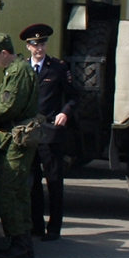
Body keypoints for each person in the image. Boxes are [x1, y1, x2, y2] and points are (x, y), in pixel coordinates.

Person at [0, 32, 39, 258]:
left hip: (16, 139)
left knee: (10, 192)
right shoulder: (15, 70)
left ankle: (18, 243)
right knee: (18, 191)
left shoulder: (18, 72)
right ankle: (22, 239)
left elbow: (8, 106)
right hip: (14, 137)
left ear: (4, 53)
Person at [21, 24, 79, 242]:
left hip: (50, 131)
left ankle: (54, 228)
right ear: (28, 46)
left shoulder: (58, 68)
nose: (39, 48)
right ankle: (36, 225)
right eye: (35, 44)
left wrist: (65, 113)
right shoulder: (24, 68)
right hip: (29, 132)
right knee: (33, 181)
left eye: (43, 43)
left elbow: (73, 96)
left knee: (54, 181)